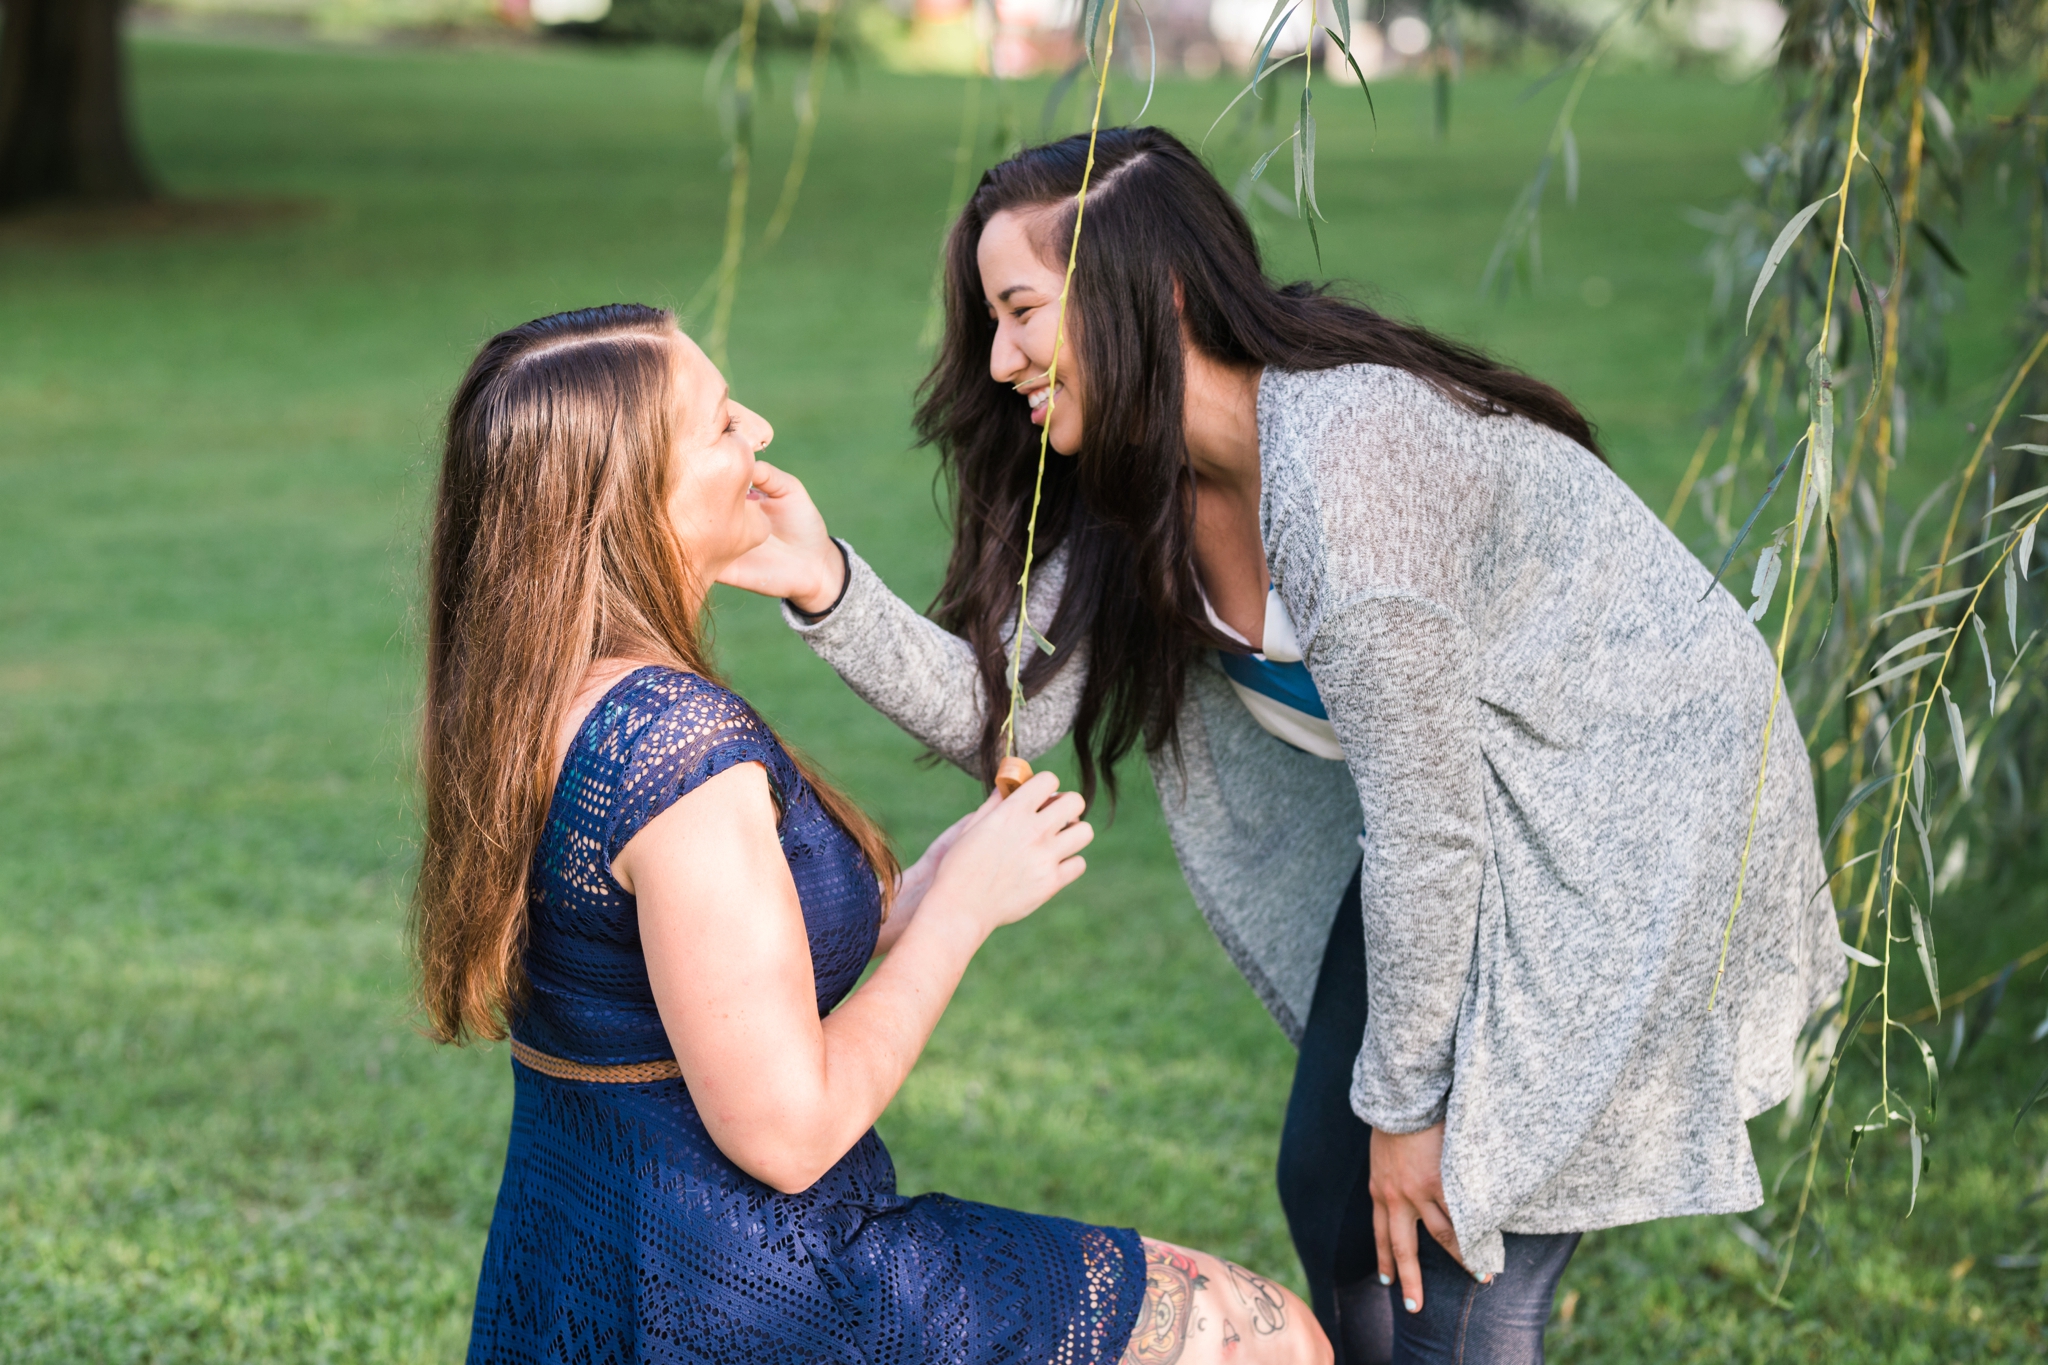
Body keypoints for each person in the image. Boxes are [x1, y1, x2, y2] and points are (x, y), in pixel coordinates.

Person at [719, 128, 1846, 1364]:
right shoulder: (1140, 483)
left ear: (1153, 294)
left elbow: (1427, 827)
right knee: (1330, 1174)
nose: (997, 362)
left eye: (1021, 312)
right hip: (1454, 818)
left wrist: (1416, 1114)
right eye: (988, 320)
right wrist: (821, 582)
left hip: (1615, 821)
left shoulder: (1352, 463)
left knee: (1456, 1241)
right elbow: (1010, 712)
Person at [412, 303, 1330, 1365]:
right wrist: (966, 916)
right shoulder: (677, 755)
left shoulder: (532, 701)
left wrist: (927, 887)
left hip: (582, 1262)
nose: (757, 431)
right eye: (718, 426)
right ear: (629, 498)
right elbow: (789, 1134)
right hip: (747, 1288)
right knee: (1265, 1338)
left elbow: (684, 976)